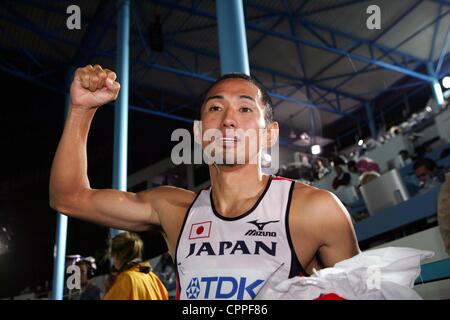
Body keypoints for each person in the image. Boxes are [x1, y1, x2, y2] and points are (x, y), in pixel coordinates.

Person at [50, 65, 359, 300]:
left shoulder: (315, 209)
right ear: (199, 133)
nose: (228, 119)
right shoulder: (174, 209)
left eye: (245, 108)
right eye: (215, 107)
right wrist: (82, 109)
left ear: (270, 134)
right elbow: (68, 197)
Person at [103, 231, 168, 300]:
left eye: (112, 256)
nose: (113, 262)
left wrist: (109, 289)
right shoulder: (152, 276)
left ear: (117, 255)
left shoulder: (127, 278)